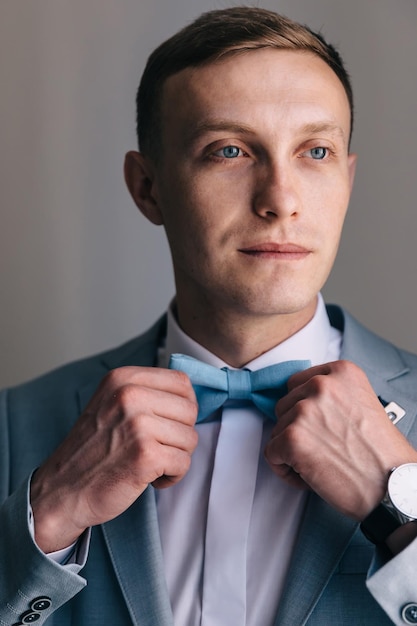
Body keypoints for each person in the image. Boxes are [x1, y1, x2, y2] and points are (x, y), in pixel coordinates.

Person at [1, 6, 417, 626]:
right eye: (229, 150)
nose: (281, 199)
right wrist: (46, 518)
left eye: (316, 151)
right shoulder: (14, 425)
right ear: (148, 188)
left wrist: (401, 508)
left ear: (347, 182)